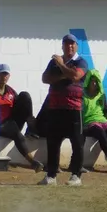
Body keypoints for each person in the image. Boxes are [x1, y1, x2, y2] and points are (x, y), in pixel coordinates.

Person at [39, 34, 88, 186]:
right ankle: (51, 175)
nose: (69, 47)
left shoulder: (81, 61)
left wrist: (61, 67)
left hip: (74, 109)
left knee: (77, 143)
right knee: (53, 143)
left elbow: (75, 76)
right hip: (55, 108)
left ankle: (76, 175)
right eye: (66, 44)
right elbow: (45, 78)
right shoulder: (54, 62)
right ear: (62, 46)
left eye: (72, 44)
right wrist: (63, 74)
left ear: (77, 46)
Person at [0, 63, 44, 172]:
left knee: (25, 95)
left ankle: (31, 128)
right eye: (1, 74)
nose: (4, 77)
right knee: (17, 134)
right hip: (0, 125)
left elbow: (20, 105)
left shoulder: (10, 91)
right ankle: (32, 162)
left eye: (6, 74)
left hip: (12, 121)